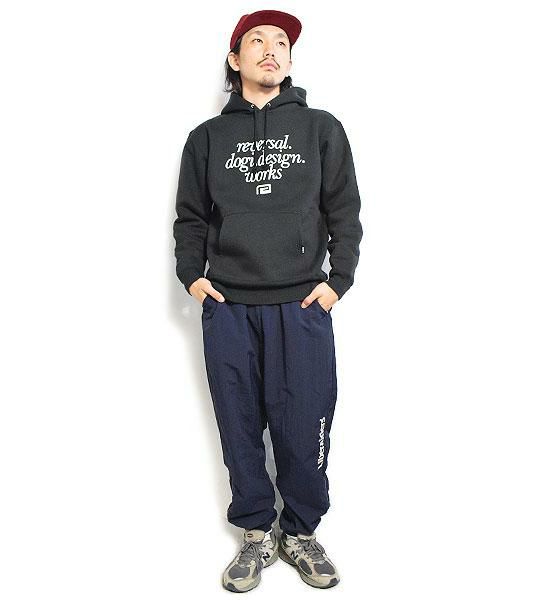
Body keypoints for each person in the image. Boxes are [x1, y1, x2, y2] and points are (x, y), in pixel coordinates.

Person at [173, 9, 363, 592]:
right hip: (229, 305)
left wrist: (338, 280)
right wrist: (192, 276)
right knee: (238, 424)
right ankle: (256, 532)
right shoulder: (206, 139)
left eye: (281, 42)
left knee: (304, 424)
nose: (271, 49)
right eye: (257, 40)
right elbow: (190, 218)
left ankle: (301, 533)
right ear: (235, 60)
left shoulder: (321, 129)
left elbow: (344, 210)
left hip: (302, 306)